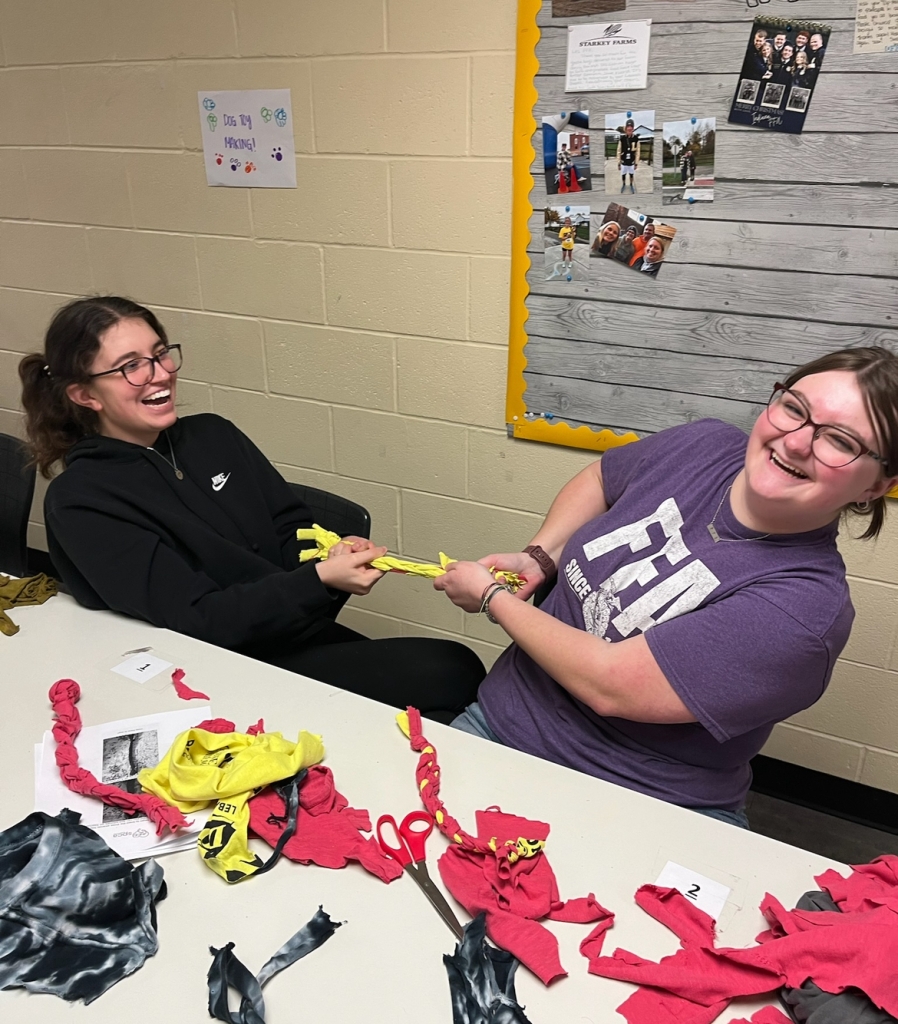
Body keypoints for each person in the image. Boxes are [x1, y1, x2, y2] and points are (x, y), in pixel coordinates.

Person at [433, 348, 898, 827]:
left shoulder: (805, 608)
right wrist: (539, 556)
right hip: (505, 721)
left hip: (642, 801)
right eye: (795, 409)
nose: (797, 442)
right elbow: (601, 477)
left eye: (840, 441)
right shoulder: (703, 446)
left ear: (876, 487)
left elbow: (609, 685)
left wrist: (492, 597)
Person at [19, 296, 485, 722]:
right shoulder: (82, 500)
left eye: (160, 354)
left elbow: (290, 527)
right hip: (207, 672)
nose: (159, 373)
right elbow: (196, 621)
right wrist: (317, 582)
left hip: (282, 634)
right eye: (130, 367)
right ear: (84, 394)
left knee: (452, 673)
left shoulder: (212, 435)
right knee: (448, 671)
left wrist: (330, 555)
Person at [616, 119, 640, 195]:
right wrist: (618, 163)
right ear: (626, 128)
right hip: (623, 161)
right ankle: (623, 184)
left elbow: (638, 152)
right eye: (628, 126)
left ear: (633, 128)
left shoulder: (636, 139)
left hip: (631, 162)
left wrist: (636, 163)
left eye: (631, 127)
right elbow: (618, 151)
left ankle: (630, 184)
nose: (629, 128)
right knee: (623, 174)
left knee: (631, 174)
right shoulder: (622, 139)